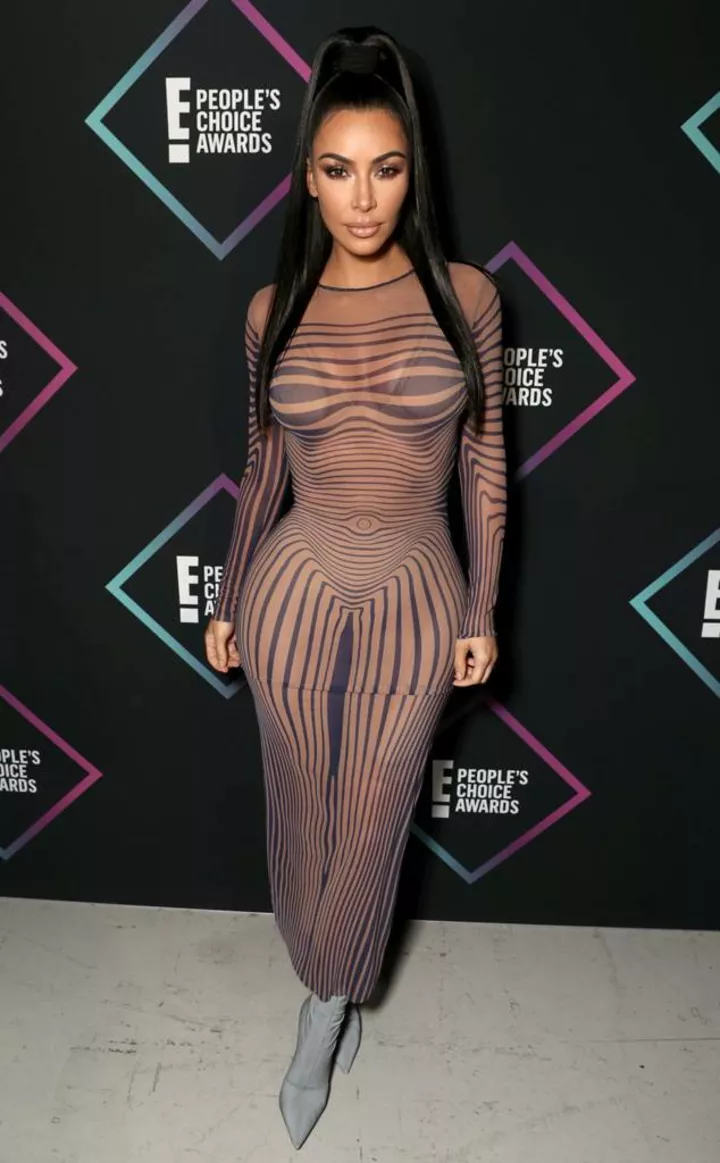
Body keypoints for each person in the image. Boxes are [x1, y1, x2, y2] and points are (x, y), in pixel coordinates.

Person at [204, 25, 507, 1150]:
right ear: (307, 175)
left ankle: (325, 1010)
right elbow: (261, 466)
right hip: (289, 588)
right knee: (299, 806)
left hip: (419, 588)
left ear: (413, 171)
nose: (363, 197)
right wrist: (227, 597)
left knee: (376, 816)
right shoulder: (269, 309)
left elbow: (484, 465)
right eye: (338, 169)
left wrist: (481, 605)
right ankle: (324, 979)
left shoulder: (467, 297)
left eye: (386, 167)